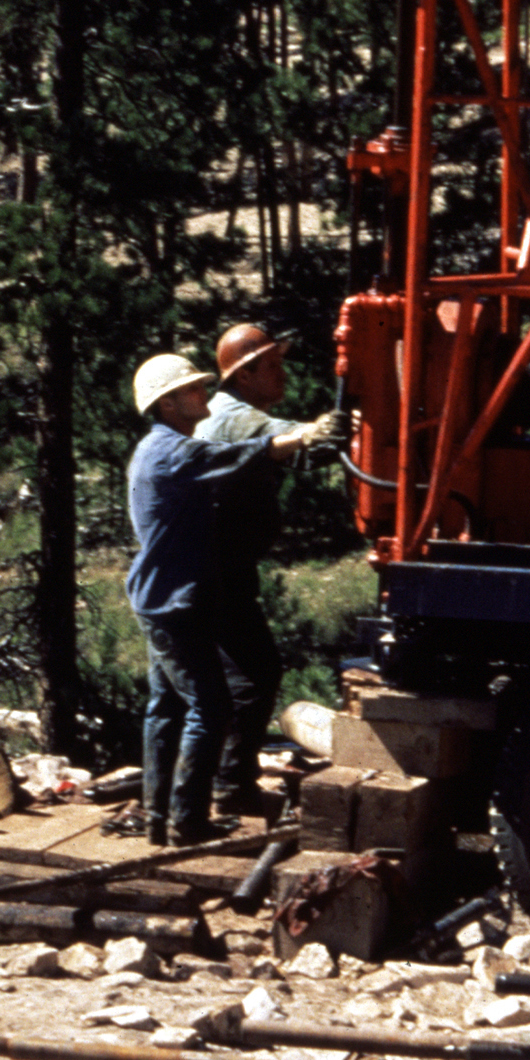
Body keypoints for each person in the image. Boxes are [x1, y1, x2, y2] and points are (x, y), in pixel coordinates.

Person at [126, 352, 338, 845]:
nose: (205, 393)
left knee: (166, 707)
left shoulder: (156, 449)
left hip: (162, 596)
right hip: (175, 602)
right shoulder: (176, 453)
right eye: (194, 389)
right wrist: (303, 436)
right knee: (210, 706)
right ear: (169, 403)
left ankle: (161, 819)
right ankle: (188, 822)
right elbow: (238, 455)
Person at [193, 324, 344, 815]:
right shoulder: (235, 418)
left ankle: (216, 779)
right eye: (273, 366)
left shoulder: (238, 415)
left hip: (213, 568)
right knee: (255, 675)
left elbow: (301, 453)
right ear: (244, 374)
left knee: (222, 679)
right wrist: (324, 430)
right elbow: (293, 442)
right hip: (215, 571)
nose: (283, 374)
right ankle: (231, 787)